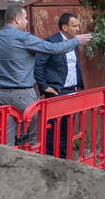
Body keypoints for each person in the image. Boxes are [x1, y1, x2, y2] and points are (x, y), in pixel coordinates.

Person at [0, 4, 92, 147]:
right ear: (17, 19)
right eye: (25, 18)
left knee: (6, 141)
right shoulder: (23, 38)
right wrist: (76, 41)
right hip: (23, 95)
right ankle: (32, 165)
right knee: (35, 139)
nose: (27, 22)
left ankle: (9, 167)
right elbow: (53, 48)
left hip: (1, 95)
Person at [34, 13, 85, 158]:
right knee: (53, 130)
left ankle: (65, 160)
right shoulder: (52, 42)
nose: (78, 29)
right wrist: (44, 86)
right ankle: (51, 160)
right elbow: (38, 64)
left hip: (71, 91)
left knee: (67, 129)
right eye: (74, 26)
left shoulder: (74, 43)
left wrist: (77, 85)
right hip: (57, 91)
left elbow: (73, 66)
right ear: (64, 27)